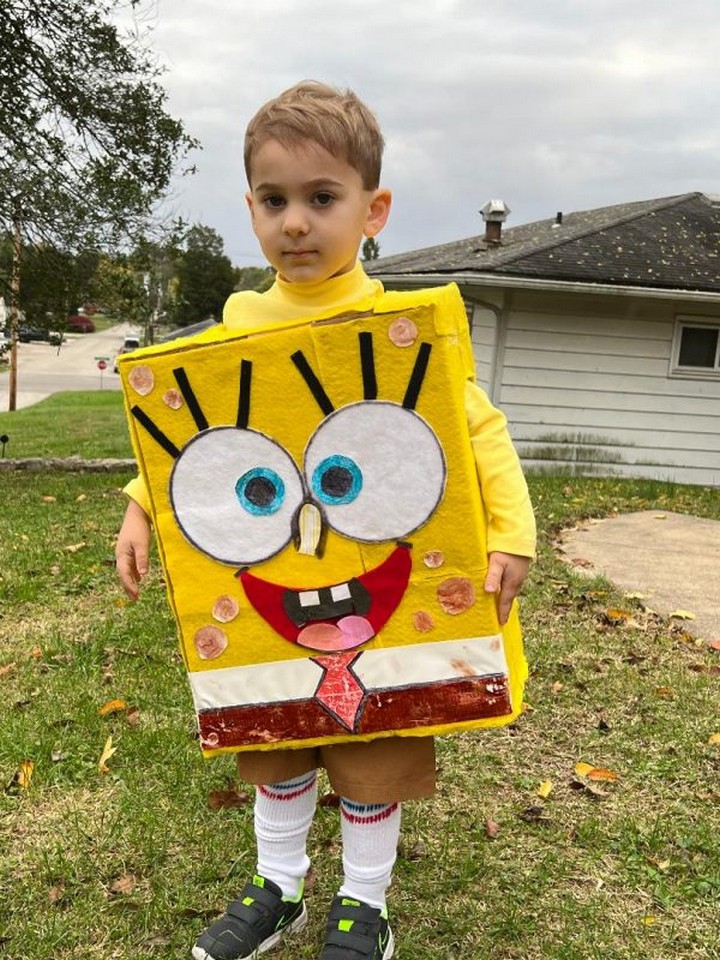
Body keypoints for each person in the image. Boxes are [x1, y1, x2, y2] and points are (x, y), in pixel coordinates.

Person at [116, 81, 536, 960]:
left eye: (321, 198)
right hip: (275, 592)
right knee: (276, 733)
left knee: (373, 742)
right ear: (251, 210)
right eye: (274, 201)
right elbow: (200, 445)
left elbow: (475, 432)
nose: (295, 223)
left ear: (372, 209)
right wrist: (140, 505)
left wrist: (511, 535)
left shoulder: (401, 333)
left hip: (374, 586)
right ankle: (278, 887)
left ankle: (364, 902)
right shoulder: (232, 329)